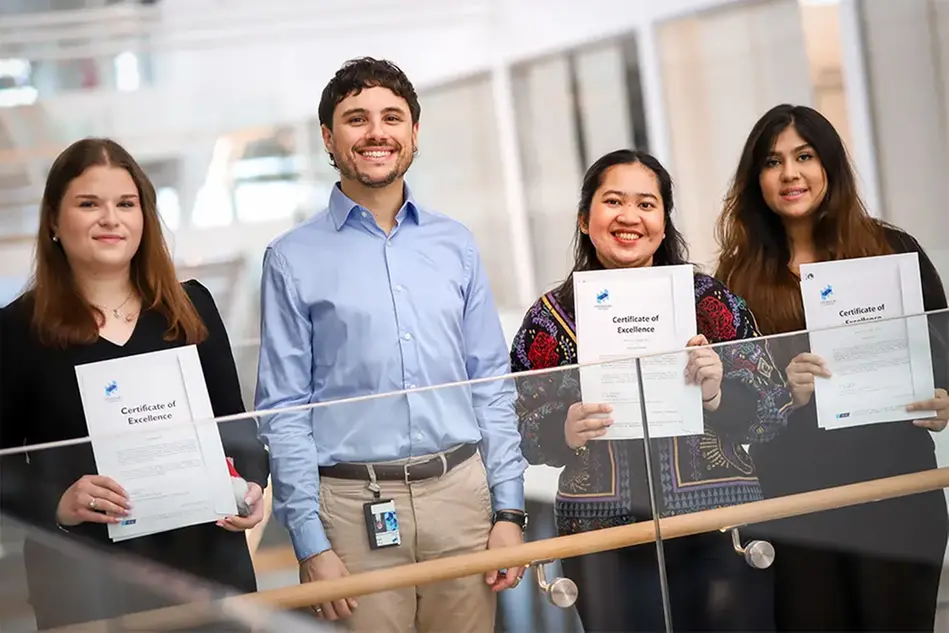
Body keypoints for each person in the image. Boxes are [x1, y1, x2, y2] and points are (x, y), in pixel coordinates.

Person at [255, 57, 528, 633]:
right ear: (329, 137)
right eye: (357, 119)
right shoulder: (290, 258)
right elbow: (283, 411)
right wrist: (309, 542)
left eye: (392, 117)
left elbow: (491, 387)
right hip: (353, 513)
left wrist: (509, 509)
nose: (376, 132)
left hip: (463, 503)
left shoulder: (456, 244)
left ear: (414, 133)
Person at [510, 148, 792, 632]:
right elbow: (516, 424)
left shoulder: (711, 303)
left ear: (664, 222)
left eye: (646, 204)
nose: (629, 217)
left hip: (719, 528)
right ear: (584, 219)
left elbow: (773, 408)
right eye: (613, 201)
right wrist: (564, 427)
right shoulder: (550, 318)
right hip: (601, 538)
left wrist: (717, 394)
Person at [0, 138, 270, 630]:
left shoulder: (191, 308)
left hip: (205, 570)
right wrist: (58, 503)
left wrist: (251, 485)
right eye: (89, 204)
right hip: (87, 583)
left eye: (126, 204)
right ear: (55, 223)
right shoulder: (16, 331)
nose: (111, 219)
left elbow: (239, 431)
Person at [715, 103, 949, 631]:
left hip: (898, 494)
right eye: (773, 162)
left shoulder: (891, 250)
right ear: (757, 180)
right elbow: (728, 406)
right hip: (796, 507)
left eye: (805, 156)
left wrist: (945, 399)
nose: (791, 173)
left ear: (830, 167)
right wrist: (784, 393)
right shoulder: (735, 280)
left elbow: (944, 353)